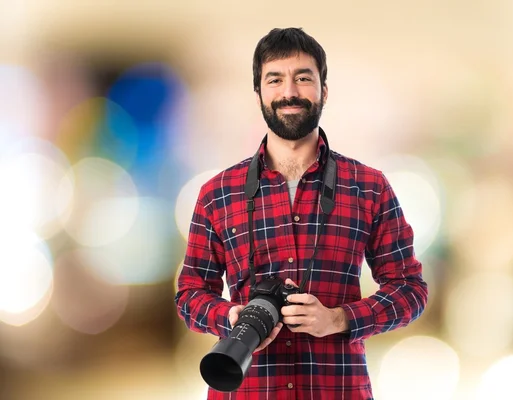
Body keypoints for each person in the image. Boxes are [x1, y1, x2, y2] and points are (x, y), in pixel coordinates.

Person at [175, 27, 428, 400]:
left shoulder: (369, 187)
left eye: (303, 78)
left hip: (336, 390)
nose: (289, 92)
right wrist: (230, 317)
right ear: (259, 92)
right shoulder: (217, 194)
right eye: (274, 79)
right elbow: (190, 294)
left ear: (324, 90)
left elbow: (410, 289)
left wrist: (339, 319)